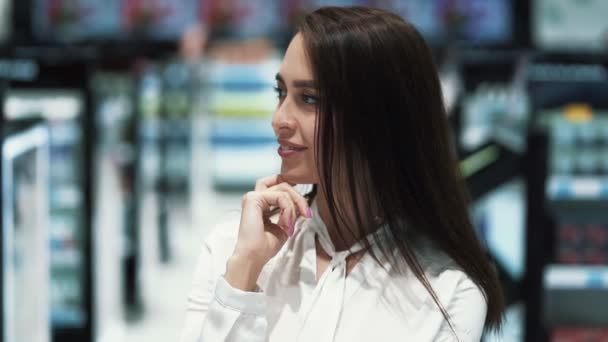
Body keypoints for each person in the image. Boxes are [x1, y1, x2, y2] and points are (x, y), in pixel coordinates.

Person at [179, 6, 504, 342]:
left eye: (308, 98)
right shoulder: (232, 248)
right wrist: (245, 268)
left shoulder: (448, 291)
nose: (279, 119)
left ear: (381, 118)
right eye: (281, 93)